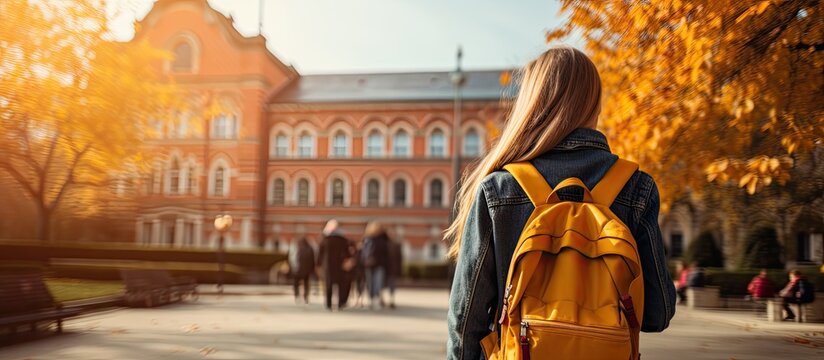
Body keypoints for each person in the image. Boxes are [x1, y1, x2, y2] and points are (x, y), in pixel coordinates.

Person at [445, 47, 676, 359]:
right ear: (595, 105)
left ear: (531, 102)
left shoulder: (499, 189)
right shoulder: (636, 187)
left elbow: (466, 321)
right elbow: (657, 315)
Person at [317, 219, 353, 311]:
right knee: (341, 284)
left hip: (328, 266)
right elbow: (348, 254)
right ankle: (340, 303)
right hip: (340, 266)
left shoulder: (324, 240)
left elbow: (320, 254)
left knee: (328, 285)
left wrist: (318, 264)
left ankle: (328, 304)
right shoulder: (343, 240)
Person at [362, 221, 389, 310]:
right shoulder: (367, 238)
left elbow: (386, 253)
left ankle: (376, 299)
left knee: (378, 282)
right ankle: (371, 299)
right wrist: (365, 260)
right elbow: (364, 251)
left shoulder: (383, 239)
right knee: (370, 282)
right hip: (369, 264)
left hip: (380, 264)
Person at [288, 237, 315, 304]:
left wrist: (292, 267)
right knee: (306, 284)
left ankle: (297, 296)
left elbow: (292, 258)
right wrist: (312, 269)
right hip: (307, 270)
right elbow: (312, 260)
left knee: (296, 284)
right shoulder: (310, 248)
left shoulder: (297, 248)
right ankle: (306, 297)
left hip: (297, 270)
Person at [386, 236, 404, 309]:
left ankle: (390, 299)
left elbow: (399, 258)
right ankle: (389, 299)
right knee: (390, 285)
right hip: (388, 269)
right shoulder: (386, 245)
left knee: (391, 285)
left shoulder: (396, 245)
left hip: (390, 269)